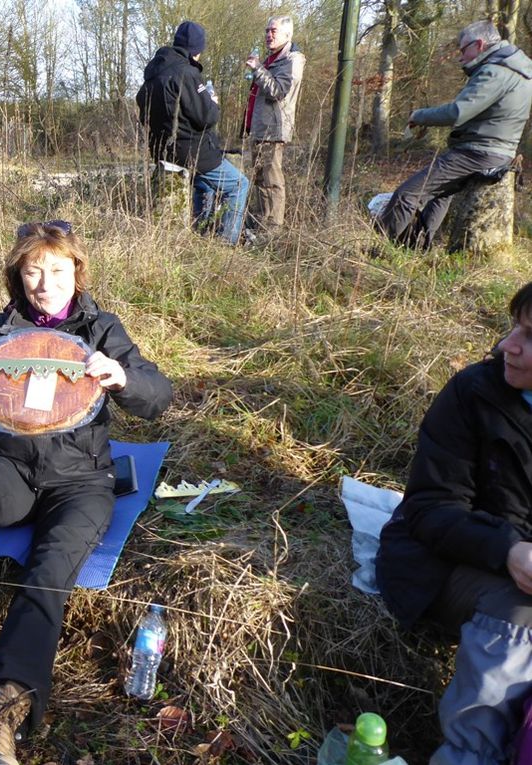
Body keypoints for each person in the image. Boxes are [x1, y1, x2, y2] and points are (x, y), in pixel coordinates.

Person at [0, 222, 172, 763]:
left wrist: (121, 376)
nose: (44, 283)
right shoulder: (2, 328)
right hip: (14, 467)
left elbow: (157, 395)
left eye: (56, 270)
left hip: (83, 479)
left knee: (50, 570)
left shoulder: (99, 327)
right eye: (32, 271)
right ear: (17, 277)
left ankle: (4, 704)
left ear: (76, 271)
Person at [377, 281, 532, 764]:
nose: (508, 344)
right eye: (515, 327)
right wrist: (508, 550)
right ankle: (468, 755)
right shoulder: (474, 393)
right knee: (521, 610)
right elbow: (431, 507)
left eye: (530, 336)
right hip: (444, 565)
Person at [375, 20, 532, 248]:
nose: (461, 57)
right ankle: (416, 246)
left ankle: (378, 251)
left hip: (477, 153)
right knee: (440, 194)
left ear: (478, 45)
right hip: (499, 151)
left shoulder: (495, 71)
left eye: (463, 49)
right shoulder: (518, 69)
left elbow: (458, 112)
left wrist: (420, 116)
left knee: (406, 195)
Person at [137, 21, 249, 245]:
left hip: (163, 149)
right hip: (190, 149)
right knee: (239, 184)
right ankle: (226, 242)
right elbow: (206, 117)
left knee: (203, 184)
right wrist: (212, 102)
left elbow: (144, 114)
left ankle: (201, 233)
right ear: (197, 49)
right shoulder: (186, 73)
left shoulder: (153, 74)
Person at [243, 16, 305, 233]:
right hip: (260, 129)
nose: (269, 35)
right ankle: (261, 225)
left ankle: (273, 231)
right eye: (267, 30)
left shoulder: (292, 60)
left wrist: (258, 69)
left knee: (272, 181)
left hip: (273, 130)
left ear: (287, 35)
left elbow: (278, 91)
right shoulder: (271, 59)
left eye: (274, 31)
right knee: (260, 180)